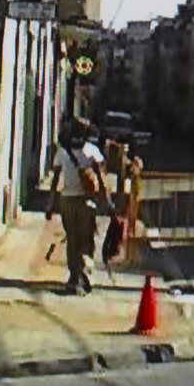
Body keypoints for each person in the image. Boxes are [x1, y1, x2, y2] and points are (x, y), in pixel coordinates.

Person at [51, 118, 108, 294]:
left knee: (72, 239)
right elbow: (100, 178)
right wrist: (106, 199)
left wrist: (50, 203)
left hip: (66, 200)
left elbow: (55, 179)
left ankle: (74, 276)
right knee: (86, 239)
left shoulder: (62, 151)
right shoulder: (92, 151)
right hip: (85, 201)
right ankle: (83, 273)